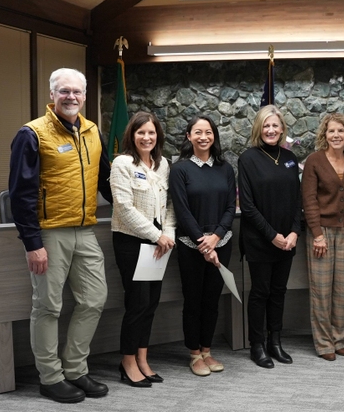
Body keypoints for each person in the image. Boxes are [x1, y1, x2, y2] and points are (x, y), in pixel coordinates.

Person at [8, 68, 112, 403]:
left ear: (84, 96)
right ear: (52, 95)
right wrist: (32, 243)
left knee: (94, 299)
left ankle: (76, 369)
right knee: (49, 306)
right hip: (49, 233)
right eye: (63, 91)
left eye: (77, 92)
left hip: (86, 229)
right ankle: (50, 377)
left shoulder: (93, 132)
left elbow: (106, 181)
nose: (71, 97)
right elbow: (20, 194)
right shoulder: (32, 134)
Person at [111, 111, 175, 387]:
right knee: (136, 304)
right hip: (131, 241)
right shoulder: (122, 163)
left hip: (159, 243)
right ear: (132, 135)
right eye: (141, 133)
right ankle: (127, 361)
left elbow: (170, 206)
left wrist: (167, 235)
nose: (147, 137)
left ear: (158, 135)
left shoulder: (163, 165)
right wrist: (155, 235)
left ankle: (143, 358)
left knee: (150, 303)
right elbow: (124, 208)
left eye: (151, 132)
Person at [169, 115, 236, 376]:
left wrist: (216, 237)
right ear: (189, 136)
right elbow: (182, 211)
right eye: (198, 132)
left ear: (214, 136)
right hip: (191, 245)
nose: (204, 137)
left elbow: (231, 206)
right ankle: (194, 354)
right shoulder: (180, 169)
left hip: (222, 242)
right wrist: (203, 243)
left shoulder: (225, 168)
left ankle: (207, 350)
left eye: (208, 132)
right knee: (193, 300)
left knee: (212, 300)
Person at [238, 105, 301, 369]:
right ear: (258, 128)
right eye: (266, 125)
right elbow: (248, 206)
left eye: (275, 126)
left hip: (287, 240)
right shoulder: (248, 159)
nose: (271, 130)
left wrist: (295, 231)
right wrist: (272, 235)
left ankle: (275, 342)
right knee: (260, 293)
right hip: (260, 240)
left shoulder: (289, 158)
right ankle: (257, 345)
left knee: (279, 292)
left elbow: (297, 200)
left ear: (282, 128)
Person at [301, 113, 344, 361]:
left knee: (342, 289)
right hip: (321, 232)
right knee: (322, 289)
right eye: (331, 131)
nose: (336, 135)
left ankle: (339, 338)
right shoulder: (314, 161)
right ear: (324, 135)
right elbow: (309, 199)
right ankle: (324, 342)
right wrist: (317, 234)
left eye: (341, 131)